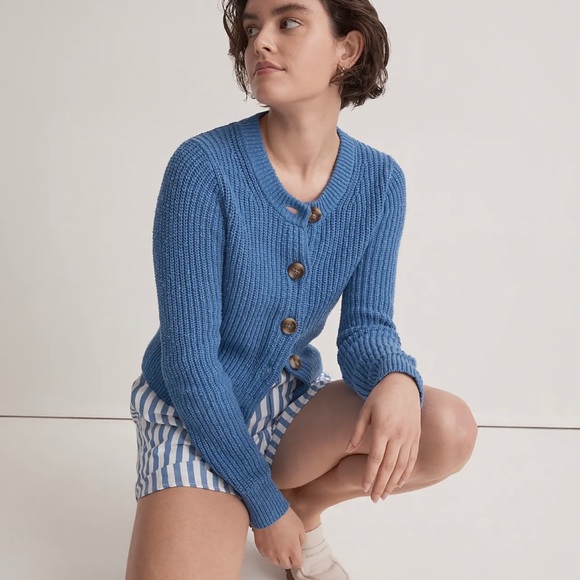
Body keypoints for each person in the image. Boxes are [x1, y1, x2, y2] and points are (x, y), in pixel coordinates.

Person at [125, 0, 479, 578]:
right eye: (251, 28)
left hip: (285, 401)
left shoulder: (379, 180)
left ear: (348, 48)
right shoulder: (202, 168)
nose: (260, 42)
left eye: (287, 22)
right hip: (193, 413)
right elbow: (189, 364)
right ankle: (267, 497)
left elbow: (366, 329)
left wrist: (394, 377)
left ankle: (305, 503)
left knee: (445, 427)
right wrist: (264, 508)